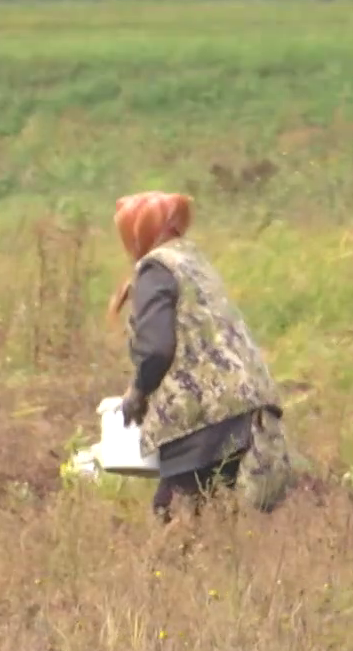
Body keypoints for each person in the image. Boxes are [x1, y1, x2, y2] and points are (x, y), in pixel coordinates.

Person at [108, 191, 293, 520]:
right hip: (245, 407)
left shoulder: (155, 269)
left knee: (174, 518)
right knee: (219, 518)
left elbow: (155, 350)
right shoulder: (193, 262)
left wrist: (138, 391)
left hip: (204, 416)